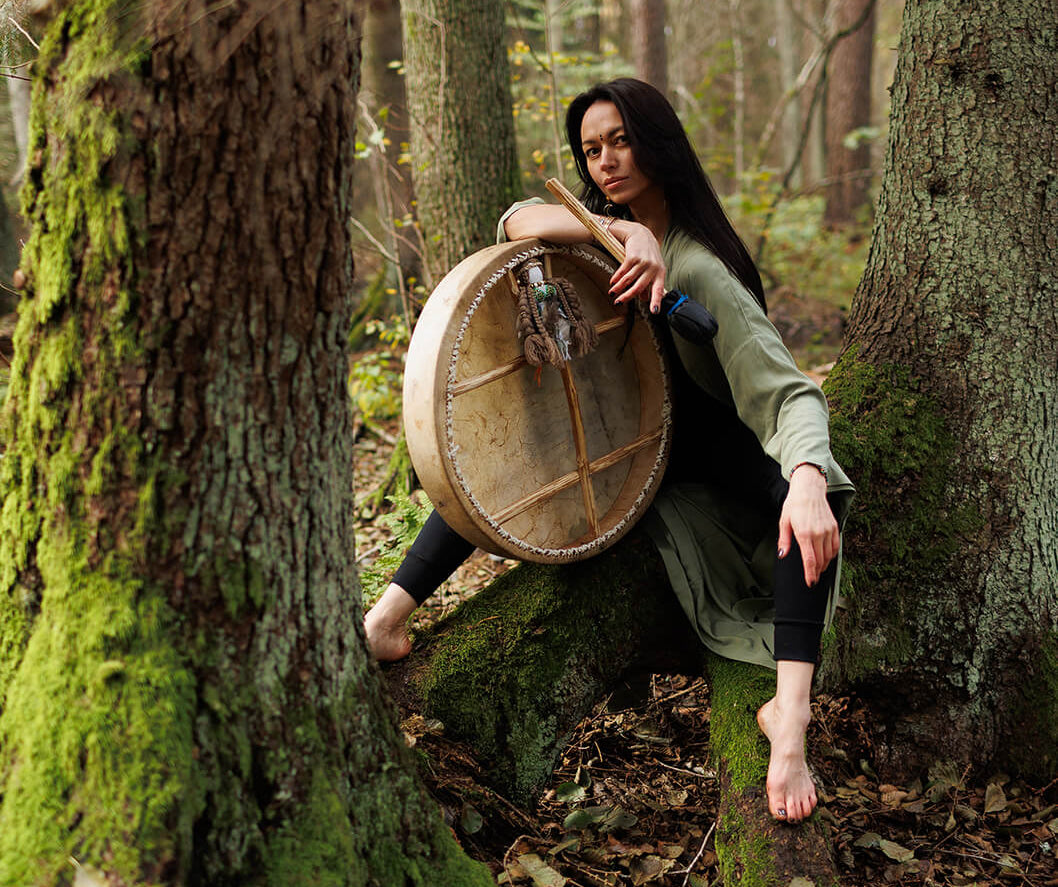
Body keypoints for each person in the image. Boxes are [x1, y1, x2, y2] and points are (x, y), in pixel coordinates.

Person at [365, 78, 854, 825]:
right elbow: (514, 218)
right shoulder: (608, 238)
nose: (605, 162)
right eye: (591, 149)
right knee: (501, 467)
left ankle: (789, 715)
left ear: (657, 142)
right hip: (641, 456)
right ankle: (386, 619)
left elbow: (791, 394)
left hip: (720, 467)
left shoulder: (700, 270)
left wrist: (810, 478)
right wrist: (627, 234)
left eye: (620, 141)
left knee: (804, 519)